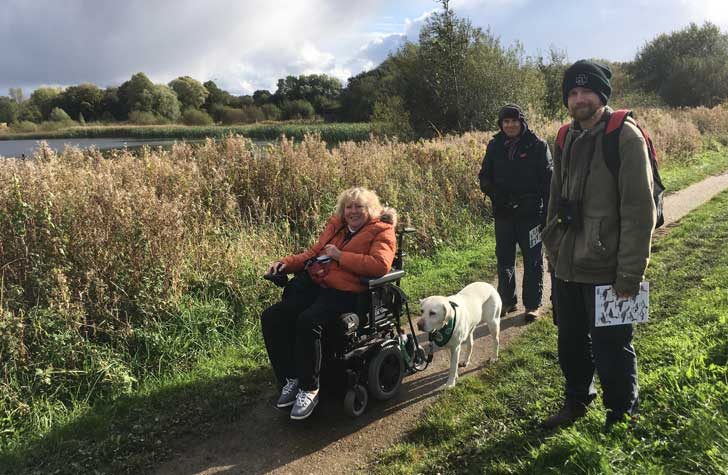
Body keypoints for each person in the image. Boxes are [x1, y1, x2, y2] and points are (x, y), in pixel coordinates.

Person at [540, 60, 656, 429]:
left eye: (586, 91)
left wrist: (630, 274)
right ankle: (577, 400)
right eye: (572, 93)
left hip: (609, 267)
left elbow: (640, 211)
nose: (579, 99)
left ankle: (622, 414)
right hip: (568, 266)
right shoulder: (563, 136)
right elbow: (555, 201)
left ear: (602, 94)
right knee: (571, 343)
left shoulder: (625, 136)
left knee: (612, 348)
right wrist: (553, 250)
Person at [261, 187, 397, 420]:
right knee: (272, 316)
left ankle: (309, 388)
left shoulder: (381, 231)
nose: (353, 211)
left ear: (370, 210)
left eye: (359, 206)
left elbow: (379, 265)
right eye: (349, 206)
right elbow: (312, 255)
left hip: (350, 293)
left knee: (308, 321)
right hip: (321, 286)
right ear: (343, 210)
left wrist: (340, 256)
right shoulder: (337, 229)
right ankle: (290, 378)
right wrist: (284, 263)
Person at [478, 103, 552, 321]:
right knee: (504, 259)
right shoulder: (494, 146)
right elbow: (484, 176)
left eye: (514, 121)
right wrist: (495, 193)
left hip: (531, 215)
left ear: (522, 122)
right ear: (501, 124)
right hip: (503, 214)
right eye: (506, 122)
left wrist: (545, 213)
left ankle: (532, 305)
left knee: (533, 260)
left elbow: (548, 183)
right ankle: (507, 301)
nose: (510, 125)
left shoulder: (538, 146)